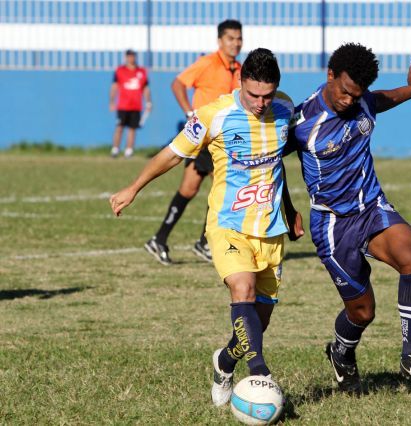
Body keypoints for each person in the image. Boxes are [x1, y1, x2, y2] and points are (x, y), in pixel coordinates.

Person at [109, 48, 304, 407]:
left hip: (270, 228)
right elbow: (171, 153)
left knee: (258, 322)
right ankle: (259, 374)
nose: (261, 103)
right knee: (241, 288)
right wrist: (133, 187)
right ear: (240, 82)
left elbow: (277, 166)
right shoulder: (214, 115)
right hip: (227, 224)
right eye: (253, 94)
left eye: (268, 94)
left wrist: (290, 209)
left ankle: (226, 360)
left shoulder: (286, 108)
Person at [287, 43, 411, 393]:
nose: (349, 101)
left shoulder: (363, 101)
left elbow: (383, 98)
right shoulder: (304, 120)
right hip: (333, 226)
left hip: (371, 208)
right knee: (363, 312)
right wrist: (287, 207)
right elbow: (274, 161)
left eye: (356, 95)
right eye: (344, 91)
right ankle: (341, 353)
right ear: (330, 75)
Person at [145, 19, 243, 265]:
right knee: (225, 187)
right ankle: (205, 242)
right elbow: (178, 83)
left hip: (221, 138)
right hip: (206, 136)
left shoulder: (239, 68)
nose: (236, 43)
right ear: (220, 40)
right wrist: (189, 111)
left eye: (239, 38)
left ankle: (160, 239)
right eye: (231, 38)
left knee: (188, 189)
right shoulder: (207, 63)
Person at [109, 49, 151, 158]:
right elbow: (114, 86)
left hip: (136, 105)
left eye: (133, 56)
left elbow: (145, 88)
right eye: (129, 56)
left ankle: (129, 151)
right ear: (126, 57)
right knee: (119, 127)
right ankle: (115, 149)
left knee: (132, 129)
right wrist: (112, 101)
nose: (131, 58)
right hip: (123, 105)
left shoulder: (141, 71)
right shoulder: (120, 70)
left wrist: (148, 102)